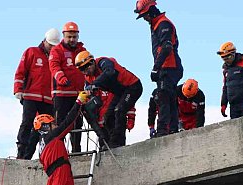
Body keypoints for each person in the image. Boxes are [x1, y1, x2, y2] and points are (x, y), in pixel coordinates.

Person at [135, 0, 183, 136]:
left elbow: (167, 47)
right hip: (168, 67)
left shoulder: (163, 24)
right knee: (170, 97)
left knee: (163, 96)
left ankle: (163, 131)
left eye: (144, 15)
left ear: (150, 11)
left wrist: (156, 68)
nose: (144, 19)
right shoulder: (157, 24)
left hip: (169, 67)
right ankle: (172, 128)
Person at [74, 51, 142, 148]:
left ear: (92, 62)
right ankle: (111, 142)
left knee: (119, 110)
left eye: (87, 66)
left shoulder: (103, 62)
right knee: (108, 116)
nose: (85, 71)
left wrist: (95, 84)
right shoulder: (89, 78)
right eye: (82, 69)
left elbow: (110, 72)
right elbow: (89, 92)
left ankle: (118, 143)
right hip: (120, 92)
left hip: (132, 87)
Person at [13, 28, 60, 160]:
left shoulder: (56, 57)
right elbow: (20, 71)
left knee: (45, 128)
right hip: (30, 96)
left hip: (48, 99)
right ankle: (21, 154)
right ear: (44, 41)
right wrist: (18, 89)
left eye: (54, 46)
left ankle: (42, 155)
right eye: (50, 45)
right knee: (27, 123)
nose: (52, 48)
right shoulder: (31, 52)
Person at [49, 21, 86, 153]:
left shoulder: (82, 51)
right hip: (61, 94)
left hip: (78, 95)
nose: (72, 39)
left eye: (74, 37)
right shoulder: (56, 50)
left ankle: (76, 151)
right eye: (69, 36)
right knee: (61, 125)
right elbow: (54, 67)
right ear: (64, 36)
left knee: (77, 124)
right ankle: (59, 151)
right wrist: (62, 79)